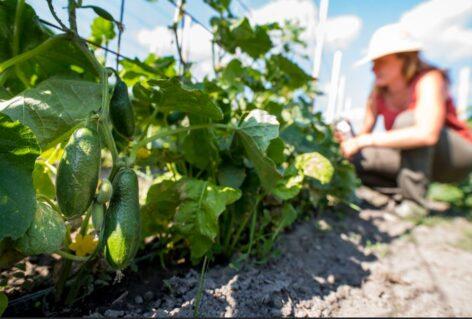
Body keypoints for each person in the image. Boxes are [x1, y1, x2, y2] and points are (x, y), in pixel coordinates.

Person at [338, 23, 472, 211]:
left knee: (408, 120)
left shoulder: (429, 79)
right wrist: (349, 143)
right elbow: (363, 135)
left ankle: (413, 203)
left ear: (404, 58)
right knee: (358, 159)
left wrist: (365, 140)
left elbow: (427, 134)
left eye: (380, 61)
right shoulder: (378, 92)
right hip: (414, 159)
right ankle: (399, 195)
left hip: (455, 158)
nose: (373, 69)